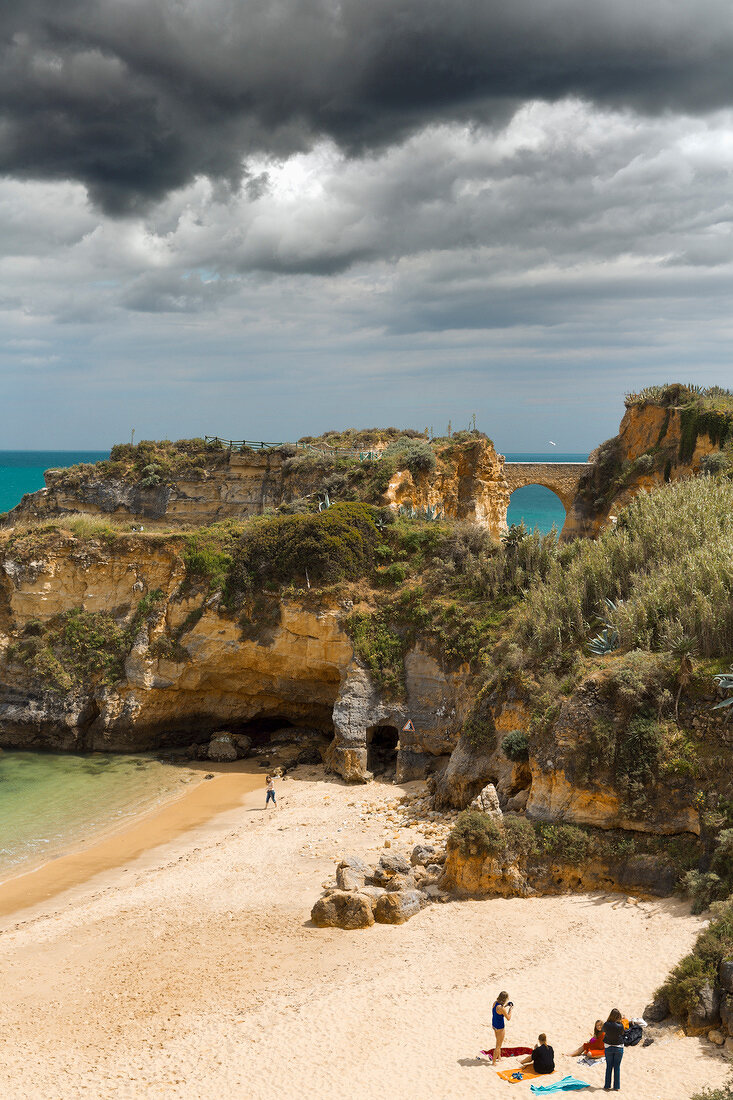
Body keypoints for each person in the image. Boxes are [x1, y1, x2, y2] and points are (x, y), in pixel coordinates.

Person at [603, 1008, 625, 1091]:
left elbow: (604, 1031)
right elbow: (622, 1033)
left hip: (608, 1046)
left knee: (609, 1066)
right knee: (617, 1067)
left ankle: (607, 1085)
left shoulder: (606, 1024)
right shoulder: (620, 1025)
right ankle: (616, 1087)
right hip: (618, 1047)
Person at [491, 991, 513, 1065]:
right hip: (500, 1027)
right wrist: (510, 1009)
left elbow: (499, 1010)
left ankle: (499, 1057)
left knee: (498, 1041)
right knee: (498, 1045)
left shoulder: (495, 1003)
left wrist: (506, 1005)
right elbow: (508, 1018)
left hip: (494, 1025)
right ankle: (494, 1062)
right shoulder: (502, 1009)